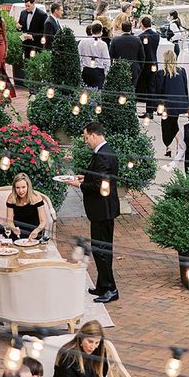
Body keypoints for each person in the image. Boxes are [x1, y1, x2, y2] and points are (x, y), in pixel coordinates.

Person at [66, 122, 120, 304]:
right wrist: (85, 177)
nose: (86, 141)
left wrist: (79, 184)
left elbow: (99, 186)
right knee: (100, 250)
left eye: (86, 137)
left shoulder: (104, 155)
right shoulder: (104, 152)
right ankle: (103, 285)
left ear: (94, 135)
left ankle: (111, 288)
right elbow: (98, 177)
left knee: (102, 250)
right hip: (102, 210)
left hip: (102, 210)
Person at [154, 49, 189, 156]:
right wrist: (185, 102)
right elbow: (185, 88)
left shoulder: (161, 74)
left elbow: (158, 91)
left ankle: (172, 146)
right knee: (173, 124)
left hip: (167, 105)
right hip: (179, 103)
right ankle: (174, 146)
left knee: (167, 126)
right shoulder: (181, 71)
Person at [4, 172, 49, 242]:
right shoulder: (11, 198)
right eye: (18, 188)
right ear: (14, 188)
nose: (21, 191)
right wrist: (13, 229)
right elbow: (9, 220)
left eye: (23, 187)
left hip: (34, 231)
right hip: (18, 231)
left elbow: (43, 221)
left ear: (28, 186)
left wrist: (36, 231)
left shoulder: (36, 197)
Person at [16, 0, 46, 83]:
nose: (27, 8)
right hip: (26, 43)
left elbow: (43, 31)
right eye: (26, 6)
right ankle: (27, 82)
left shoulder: (42, 15)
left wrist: (32, 36)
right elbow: (21, 27)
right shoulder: (23, 13)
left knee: (36, 64)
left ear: (33, 4)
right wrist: (18, 27)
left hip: (36, 44)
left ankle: (35, 82)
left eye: (28, 6)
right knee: (26, 61)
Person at [109, 21, 146, 89]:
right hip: (134, 68)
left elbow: (110, 56)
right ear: (131, 29)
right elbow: (142, 56)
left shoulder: (115, 40)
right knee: (132, 88)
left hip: (119, 68)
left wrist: (112, 68)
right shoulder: (137, 40)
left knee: (119, 88)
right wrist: (139, 67)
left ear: (121, 29)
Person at [78, 21, 110, 89]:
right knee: (97, 93)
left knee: (84, 92)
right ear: (101, 32)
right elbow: (107, 61)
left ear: (91, 31)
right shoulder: (103, 44)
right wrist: (106, 73)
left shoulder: (83, 42)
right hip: (98, 72)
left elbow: (78, 56)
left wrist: (80, 69)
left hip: (86, 70)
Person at [137, 14, 160, 112]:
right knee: (151, 87)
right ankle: (150, 111)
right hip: (154, 62)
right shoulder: (156, 35)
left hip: (145, 64)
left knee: (143, 86)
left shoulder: (141, 37)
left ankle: (148, 111)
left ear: (142, 24)